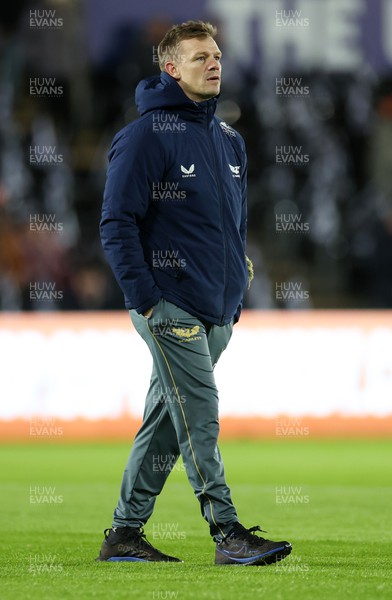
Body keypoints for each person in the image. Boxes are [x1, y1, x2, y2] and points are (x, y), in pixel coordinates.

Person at [98, 20, 292, 566]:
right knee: (200, 414)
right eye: (200, 56)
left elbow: (233, 224)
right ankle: (227, 533)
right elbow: (117, 223)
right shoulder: (144, 135)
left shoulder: (229, 139)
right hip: (170, 305)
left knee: (166, 423)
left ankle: (123, 535)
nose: (214, 63)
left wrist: (237, 285)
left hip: (217, 309)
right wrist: (146, 299)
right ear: (170, 68)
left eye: (217, 55)